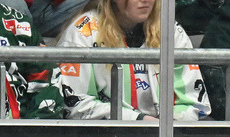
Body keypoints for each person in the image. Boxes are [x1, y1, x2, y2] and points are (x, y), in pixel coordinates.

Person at [56, 0, 211, 120]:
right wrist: (137, 120)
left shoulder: (171, 30)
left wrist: (170, 123)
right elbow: (73, 105)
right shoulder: (82, 32)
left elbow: (195, 102)